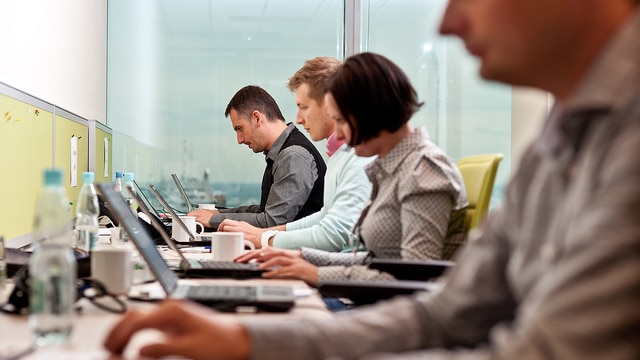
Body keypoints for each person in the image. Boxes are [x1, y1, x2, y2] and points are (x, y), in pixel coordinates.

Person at [105, 0, 640, 358]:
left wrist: (302, 280)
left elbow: (419, 283)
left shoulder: (418, 168)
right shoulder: (562, 135)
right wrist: (250, 336)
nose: (448, 23)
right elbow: (435, 306)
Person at [234, 53, 467, 287]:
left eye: (343, 121)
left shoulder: (424, 170)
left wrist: (313, 273)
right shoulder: (392, 166)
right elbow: (372, 259)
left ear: (372, 111)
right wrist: (299, 257)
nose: (341, 136)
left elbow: (410, 280)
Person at [217, 57, 374, 251]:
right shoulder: (340, 155)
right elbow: (325, 217)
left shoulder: (357, 156)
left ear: (331, 105)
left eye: (304, 107)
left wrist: (266, 239)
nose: (298, 119)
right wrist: (266, 236)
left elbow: (335, 235)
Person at [189, 85, 327, 229]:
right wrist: (216, 213)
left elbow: (271, 222)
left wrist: (213, 220)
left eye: (239, 128)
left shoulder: (293, 156)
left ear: (256, 118)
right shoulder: (283, 152)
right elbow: (265, 211)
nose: (239, 139)